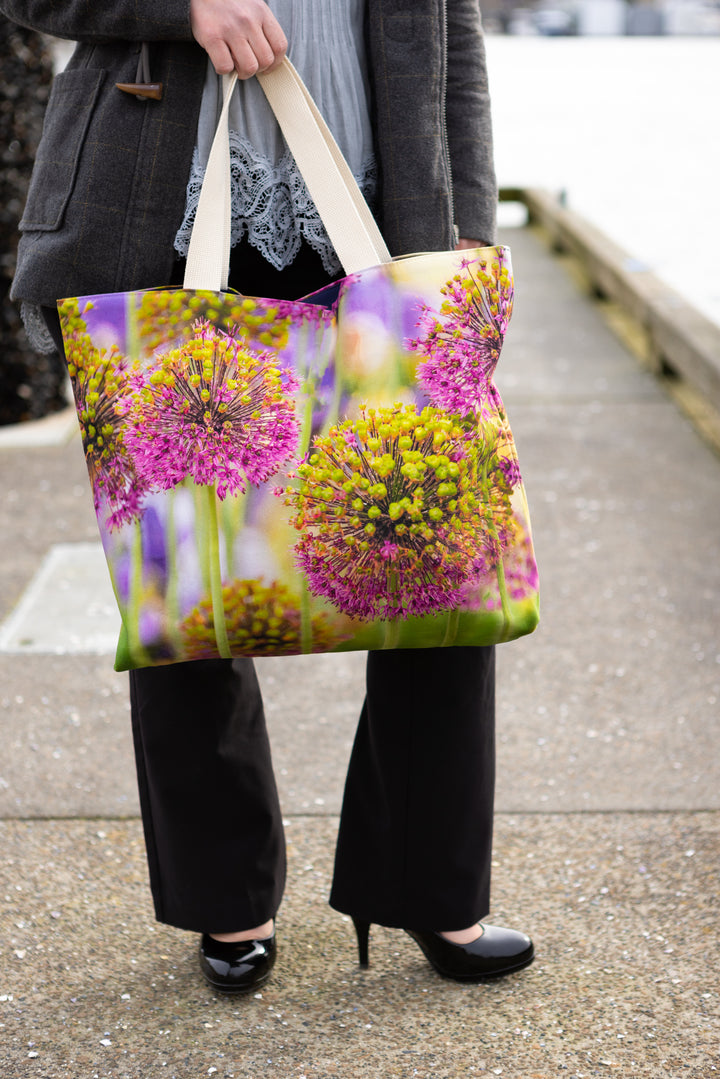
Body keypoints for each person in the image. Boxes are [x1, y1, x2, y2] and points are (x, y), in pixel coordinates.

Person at [3, 0, 534, 993]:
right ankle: (226, 894)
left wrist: (470, 245)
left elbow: (451, 47)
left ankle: (434, 885)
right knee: (185, 575)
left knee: (440, 553)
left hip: (388, 218)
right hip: (161, 211)